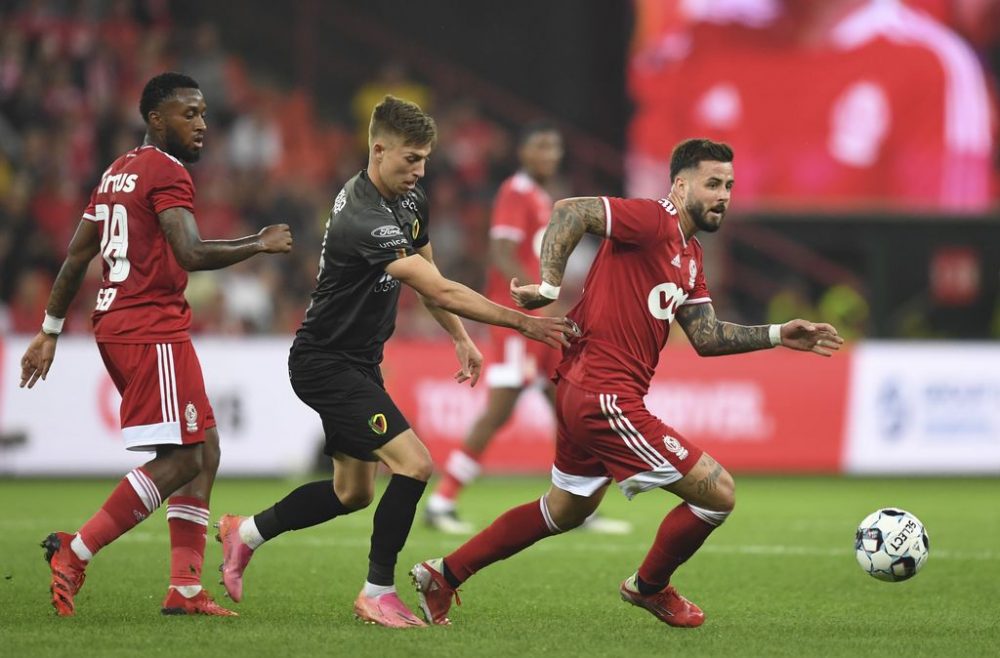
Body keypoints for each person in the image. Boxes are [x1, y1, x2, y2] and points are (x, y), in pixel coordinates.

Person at [409, 138, 844, 628]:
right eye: (712, 184)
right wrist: (550, 284)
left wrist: (779, 334)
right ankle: (649, 588)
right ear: (680, 186)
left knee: (564, 510)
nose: (723, 195)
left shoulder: (691, 254)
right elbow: (571, 211)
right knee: (719, 493)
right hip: (603, 394)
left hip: (583, 387)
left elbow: (705, 336)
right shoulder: (654, 219)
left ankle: (443, 574)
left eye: (729, 186)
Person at [215, 96, 575, 629]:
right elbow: (438, 286)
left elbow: (430, 278)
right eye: (410, 159)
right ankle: (376, 592)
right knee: (413, 463)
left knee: (352, 492)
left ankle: (243, 533)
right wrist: (521, 322)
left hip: (359, 361)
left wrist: (460, 338)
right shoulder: (363, 216)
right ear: (378, 149)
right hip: (325, 362)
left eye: (425, 158)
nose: (421, 170)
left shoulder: (409, 201)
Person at [19, 72, 294, 617]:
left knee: (205, 448)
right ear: (155, 120)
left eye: (204, 113)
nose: (201, 124)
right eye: (188, 114)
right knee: (184, 456)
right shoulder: (166, 171)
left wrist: (50, 329)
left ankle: (185, 587)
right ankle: (74, 552)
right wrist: (256, 244)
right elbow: (189, 253)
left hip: (122, 324)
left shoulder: (117, 171)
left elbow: (79, 254)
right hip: (149, 324)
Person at [425, 122, 631, 536]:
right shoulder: (515, 193)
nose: (549, 155)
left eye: (554, 148)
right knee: (502, 405)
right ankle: (441, 499)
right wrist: (533, 290)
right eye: (540, 147)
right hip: (517, 319)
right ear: (523, 153)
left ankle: (578, 503)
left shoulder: (541, 197)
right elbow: (500, 251)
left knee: (569, 404)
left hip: (543, 318)